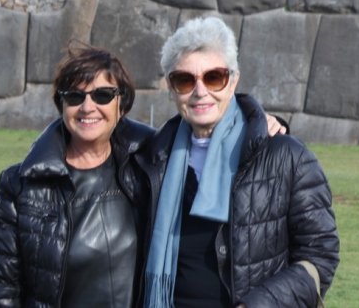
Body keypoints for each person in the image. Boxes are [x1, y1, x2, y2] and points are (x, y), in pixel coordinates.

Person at [0, 44, 285, 307]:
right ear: (61, 104)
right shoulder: (22, 185)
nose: (88, 107)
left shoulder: (149, 162)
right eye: (74, 96)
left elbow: (209, 129)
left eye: (103, 95)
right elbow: (1, 289)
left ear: (121, 103)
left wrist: (259, 124)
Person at [142, 16, 339, 307]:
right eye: (184, 80)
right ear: (171, 88)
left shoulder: (285, 156)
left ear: (233, 80)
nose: (200, 91)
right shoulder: (152, 159)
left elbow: (320, 254)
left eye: (214, 77)